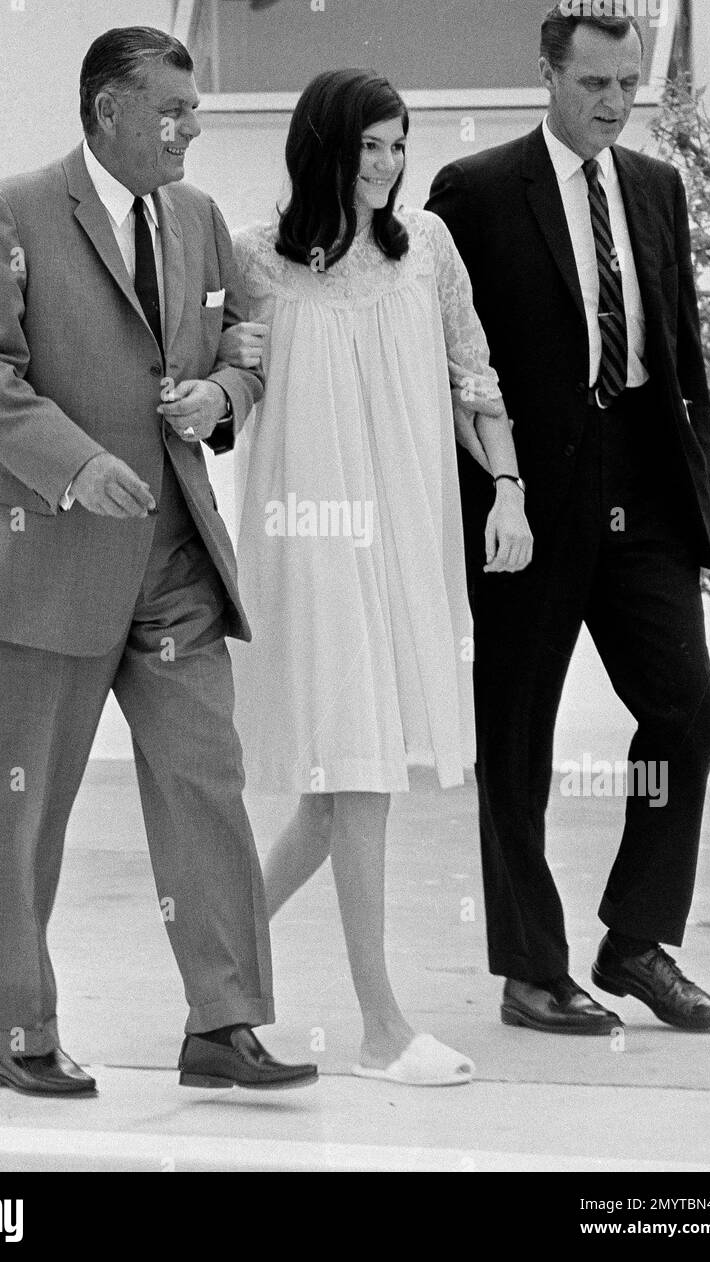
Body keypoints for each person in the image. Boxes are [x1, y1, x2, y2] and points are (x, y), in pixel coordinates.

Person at [0, 26, 317, 1095]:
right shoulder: (8, 213)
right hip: (50, 559)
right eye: (174, 111)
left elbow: (244, 343)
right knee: (26, 809)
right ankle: (19, 1033)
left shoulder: (197, 218)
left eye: (194, 111)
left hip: (175, 563)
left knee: (208, 780)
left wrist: (220, 398)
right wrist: (74, 465)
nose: (191, 128)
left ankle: (224, 1022)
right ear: (108, 111)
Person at [425, 0, 710, 1034]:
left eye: (626, 82)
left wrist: (699, 501)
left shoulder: (654, 185)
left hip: (639, 484)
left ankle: (636, 939)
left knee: (686, 705)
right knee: (515, 738)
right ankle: (529, 968)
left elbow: (678, 344)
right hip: (525, 498)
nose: (613, 102)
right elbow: (452, 363)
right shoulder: (471, 191)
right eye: (593, 82)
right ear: (545, 75)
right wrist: (482, 492)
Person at [226, 68, 532, 1086]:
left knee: (335, 793)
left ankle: (211, 974)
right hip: (309, 540)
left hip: (404, 531)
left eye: (398, 145)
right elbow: (232, 389)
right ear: (325, 149)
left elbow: (471, 372)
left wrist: (507, 488)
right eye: (370, 147)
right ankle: (378, 1025)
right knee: (356, 780)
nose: (389, 166)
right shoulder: (256, 262)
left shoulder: (425, 250)